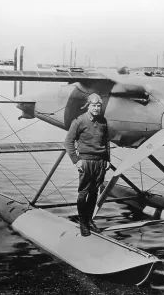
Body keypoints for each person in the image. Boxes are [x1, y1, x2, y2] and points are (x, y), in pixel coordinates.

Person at [64, 93, 110, 236]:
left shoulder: (103, 121)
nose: (96, 108)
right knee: (83, 193)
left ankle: (89, 220)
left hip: (100, 162)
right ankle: (83, 223)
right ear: (88, 106)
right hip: (85, 161)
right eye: (94, 105)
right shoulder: (78, 121)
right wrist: (76, 161)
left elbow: (106, 141)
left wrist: (107, 159)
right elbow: (68, 142)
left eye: (98, 106)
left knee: (94, 192)